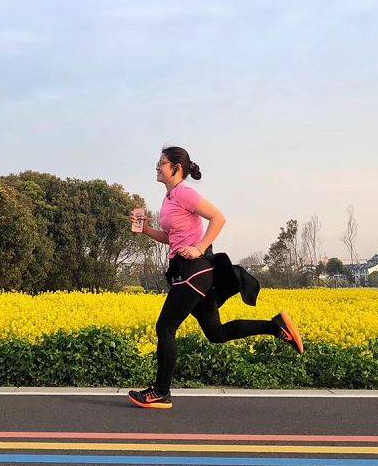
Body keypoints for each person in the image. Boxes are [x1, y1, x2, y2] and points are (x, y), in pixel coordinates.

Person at [127, 146, 304, 409]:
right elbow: (171, 238)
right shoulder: (169, 198)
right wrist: (145, 231)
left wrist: (199, 247)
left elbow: (218, 218)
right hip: (187, 271)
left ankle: (161, 392)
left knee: (165, 327)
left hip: (193, 271)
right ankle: (275, 327)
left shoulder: (185, 192)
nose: (157, 166)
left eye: (161, 163)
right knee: (216, 333)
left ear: (176, 169)